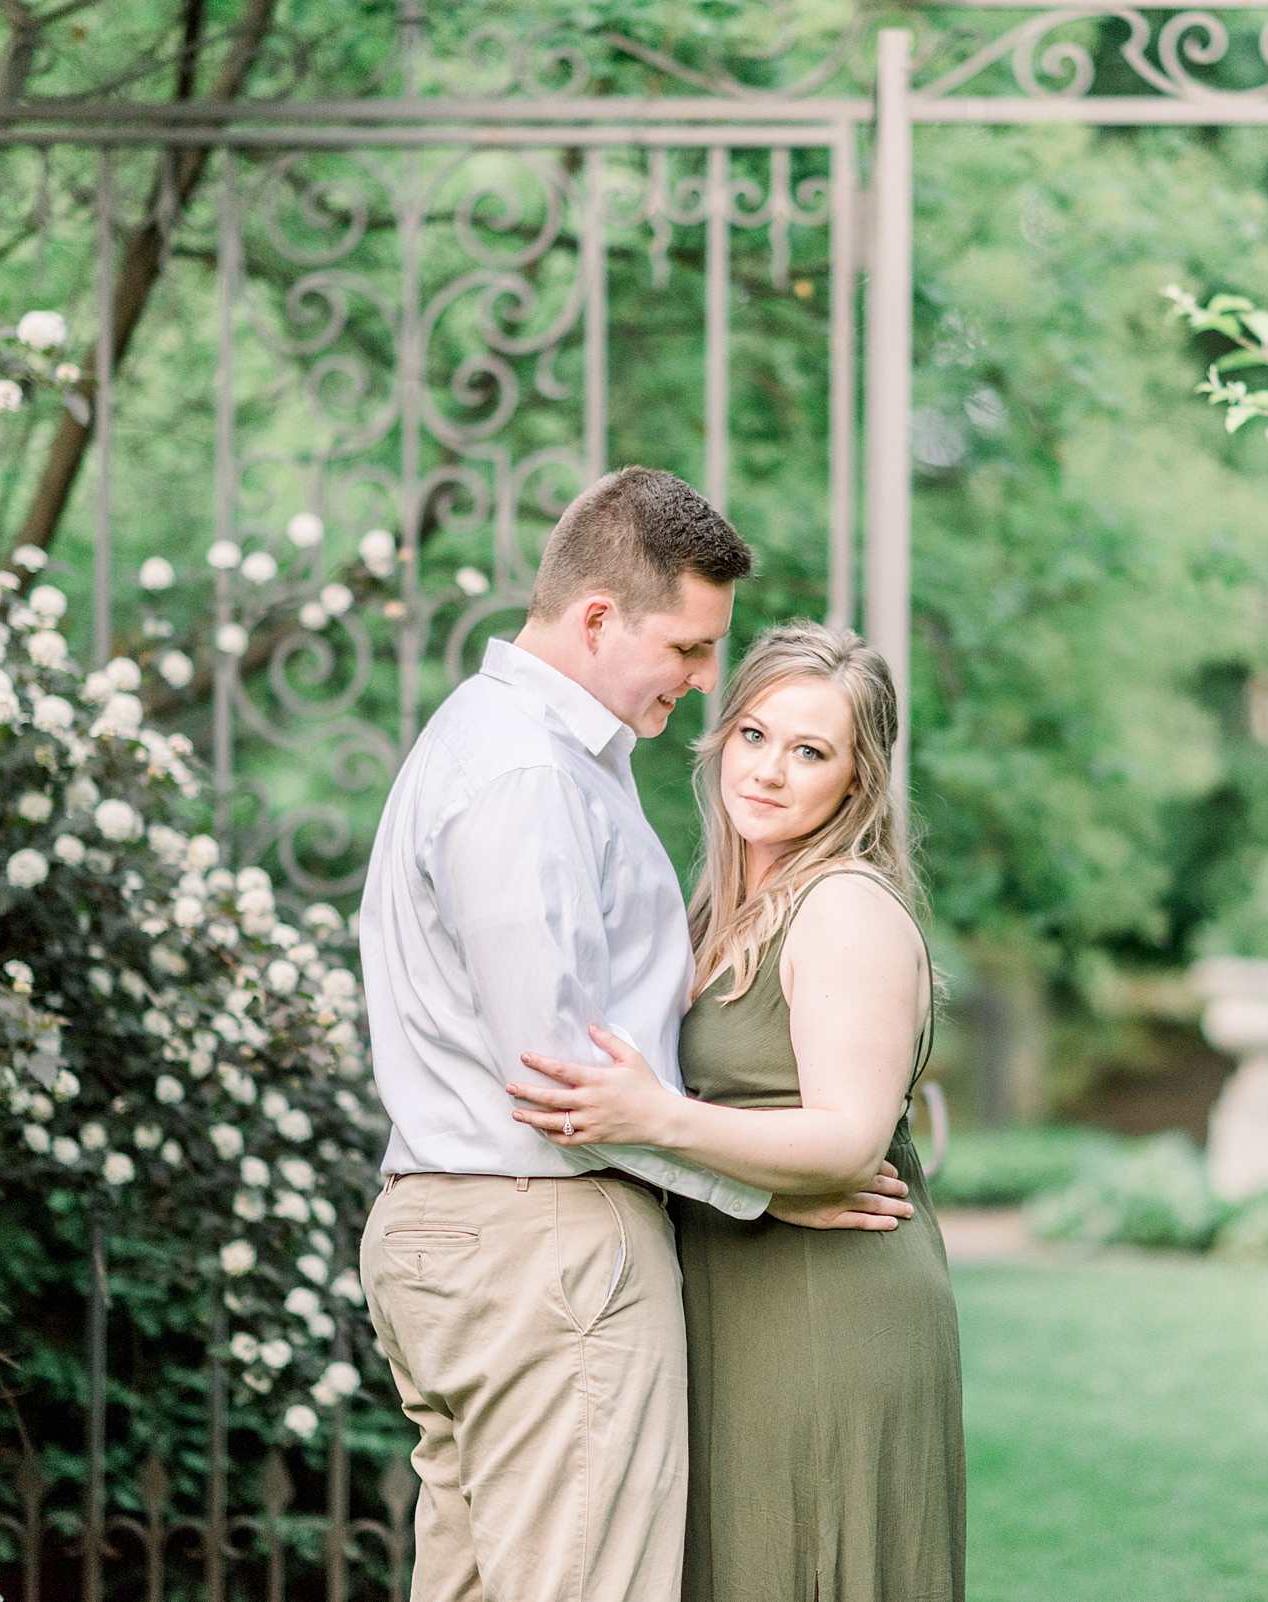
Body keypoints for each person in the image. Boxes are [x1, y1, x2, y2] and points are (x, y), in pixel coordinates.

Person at [355, 470, 913, 1602]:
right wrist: (763, 1191)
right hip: (545, 1250)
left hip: (458, 1229)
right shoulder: (527, 776)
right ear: (600, 617)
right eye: (693, 651)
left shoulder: (484, 739)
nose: (705, 685)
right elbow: (563, 1089)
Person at [511, 621, 966, 1602]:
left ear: (859, 779)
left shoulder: (842, 908)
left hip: (826, 1309)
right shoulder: (719, 909)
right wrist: (746, 1191)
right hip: (740, 1288)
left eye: (810, 752)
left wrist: (652, 1117)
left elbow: (848, 1140)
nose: (768, 770)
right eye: (755, 734)